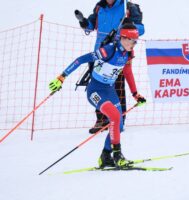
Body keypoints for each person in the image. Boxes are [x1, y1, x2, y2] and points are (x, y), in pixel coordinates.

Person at [49, 23, 146, 168]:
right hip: (95, 91)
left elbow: (127, 72)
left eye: (136, 41)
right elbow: (81, 59)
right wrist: (62, 77)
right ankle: (118, 156)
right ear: (124, 38)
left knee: (118, 124)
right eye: (132, 40)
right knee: (114, 116)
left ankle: (105, 157)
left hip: (109, 91)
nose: (134, 44)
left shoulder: (128, 54)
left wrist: (135, 94)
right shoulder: (109, 50)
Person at [78, 0, 145, 134]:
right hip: (100, 53)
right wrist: (84, 23)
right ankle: (101, 119)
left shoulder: (129, 6)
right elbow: (91, 26)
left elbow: (141, 29)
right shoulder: (99, 7)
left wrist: (129, 25)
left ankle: (119, 120)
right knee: (99, 87)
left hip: (120, 52)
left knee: (118, 86)